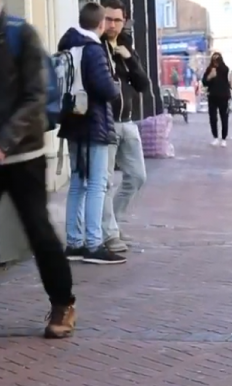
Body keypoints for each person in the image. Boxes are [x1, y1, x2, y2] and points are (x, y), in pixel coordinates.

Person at [0, 2, 78, 338]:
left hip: (22, 153)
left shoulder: (20, 35)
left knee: (38, 229)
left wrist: (4, 142)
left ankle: (63, 303)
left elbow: (34, 97)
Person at [58, 2, 124, 264]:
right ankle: (94, 244)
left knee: (77, 183)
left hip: (72, 122)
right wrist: (116, 86)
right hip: (94, 123)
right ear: (99, 24)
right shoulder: (93, 49)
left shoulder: (67, 45)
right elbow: (105, 88)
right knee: (97, 183)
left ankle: (74, 242)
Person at [100, 0, 150, 254]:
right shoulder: (94, 47)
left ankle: (114, 223)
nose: (112, 25)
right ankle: (109, 233)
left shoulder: (126, 45)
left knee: (137, 176)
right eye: (108, 19)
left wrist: (129, 59)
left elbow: (143, 84)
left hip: (127, 122)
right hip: (104, 124)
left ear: (124, 21)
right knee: (106, 182)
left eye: (117, 20)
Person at [202, 52, 232, 147]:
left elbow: (229, 81)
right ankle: (215, 137)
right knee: (213, 118)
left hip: (223, 97)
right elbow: (204, 82)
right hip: (212, 97)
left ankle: (223, 138)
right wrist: (210, 76)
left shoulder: (225, 69)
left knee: (224, 118)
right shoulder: (209, 69)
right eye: (214, 61)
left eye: (217, 61)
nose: (215, 63)